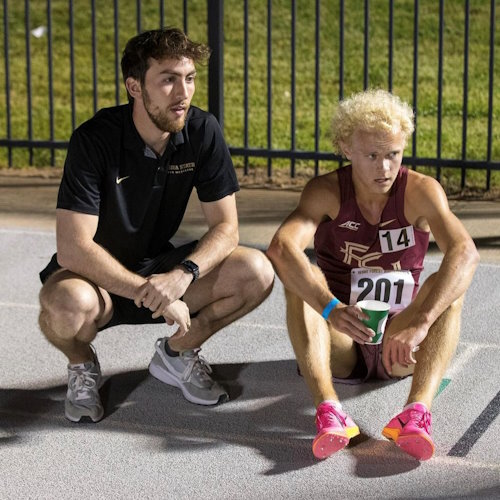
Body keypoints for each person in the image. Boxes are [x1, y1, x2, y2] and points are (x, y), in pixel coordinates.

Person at [38, 27, 274, 423]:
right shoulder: (94, 140)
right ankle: (81, 364)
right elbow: (74, 247)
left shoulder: (201, 131)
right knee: (65, 306)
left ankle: (177, 354)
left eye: (190, 78)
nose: (183, 93)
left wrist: (184, 274)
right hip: (95, 278)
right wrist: (152, 293)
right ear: (134, 86)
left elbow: (226, 228)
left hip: (161, 267)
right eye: (167, 80)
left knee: (256, 271)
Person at [266, 89, 479, 461]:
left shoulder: (420, 191)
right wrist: (330, 309)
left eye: (393, 155)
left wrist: (423, 323)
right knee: (302, 280)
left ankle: (416, 413)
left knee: (448, 289)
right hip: (342, 338)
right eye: (372, 156)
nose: (384, 168)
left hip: (401, 339)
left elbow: (465, 251)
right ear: (346, 148)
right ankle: (329, 410)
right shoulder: (327, 191)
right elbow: (281, 248)